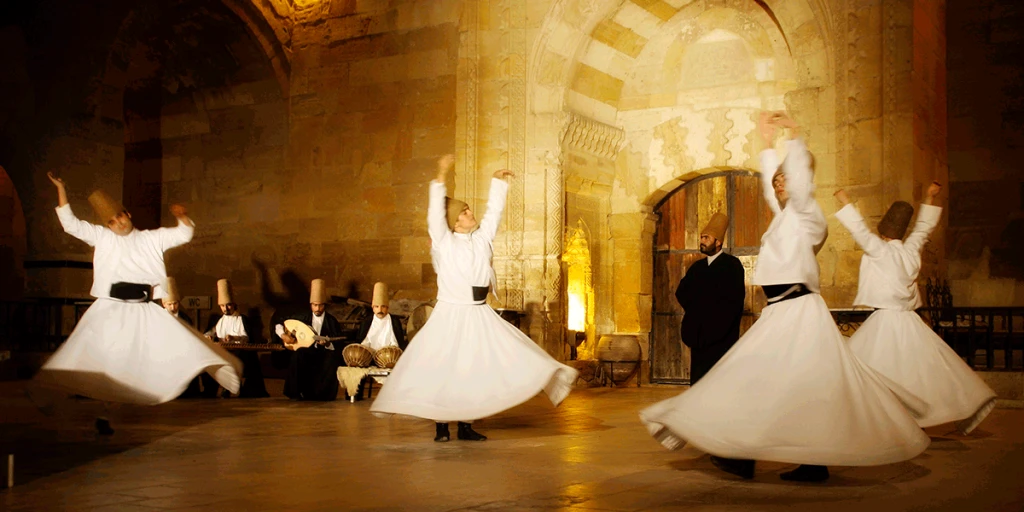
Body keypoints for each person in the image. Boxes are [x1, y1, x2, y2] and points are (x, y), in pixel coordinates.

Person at [639, 112, 930, 483]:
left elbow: (801, 182)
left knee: (756, 377)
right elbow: (770, 190)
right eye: (777, 178)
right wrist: (764, 144)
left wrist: (793, 135)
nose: (779, 182)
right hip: (781, 310)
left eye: (786, 176)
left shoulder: (809, 214)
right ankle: (809, 461)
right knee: (790, 383)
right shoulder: (785, 216)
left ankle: (745, 456)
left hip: (798, 309)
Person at [370, 154, 578, 442]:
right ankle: (442, 425)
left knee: (474, 368)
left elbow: (494, 214)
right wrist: (441, 174)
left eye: (469, 210)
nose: (471, 214)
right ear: (455, 222)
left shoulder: (481, 239)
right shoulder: (445, 242)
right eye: (465, 212)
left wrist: (497, 183)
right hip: (452, 314)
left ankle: (466, 425)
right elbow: (434, 216)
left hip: (478, 313)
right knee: (445, 369)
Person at [34, 173, 241, 434]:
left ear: (128, 214)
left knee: (178, 345)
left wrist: (182, 216)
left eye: (119, 217)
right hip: (110, 308)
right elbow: (71, 224)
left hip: (143, 309)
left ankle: (218, 370)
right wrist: (62, 189)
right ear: (107, 225)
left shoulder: (151, 239)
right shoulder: (102, 237)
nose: (117, 224)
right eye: (111, 222)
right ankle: (88, 407)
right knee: (97, 359)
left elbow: (184, 234)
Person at [835, 183, 996, 434]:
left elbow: (860, 232)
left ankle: (878, 419)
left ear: (883, 232)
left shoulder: (880, 250)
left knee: (868, 369)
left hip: (886, 321)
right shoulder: (910, 252)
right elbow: (923, 229)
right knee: (918, 371)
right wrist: (930, 198)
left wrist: (845, 202)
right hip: (909, 321)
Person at [675, 212, 745, 384]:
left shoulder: (732, 265)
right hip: (700, 334)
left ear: (718, 242)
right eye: (701, 237)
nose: (702, 241)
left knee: (719, 381)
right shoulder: (697, 267)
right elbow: (682, 292)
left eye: (706, 237)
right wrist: (697, 311)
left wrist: (714, 317)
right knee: (700, 380)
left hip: (722, 334)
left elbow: (735, 301)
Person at [279, 279, 344, 401]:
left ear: (324, 305)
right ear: (311, 305)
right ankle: (295, 393)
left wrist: (328, 344)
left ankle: (322, 395)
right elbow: (278, 325)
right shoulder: (302, 318)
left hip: (324, 353)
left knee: (332, 359)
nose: (318, 308)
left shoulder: (331, 321)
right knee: (298, 355)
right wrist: (283, 335)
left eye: (320, 305)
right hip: (307, 351)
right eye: (315, 305)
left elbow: (338, 342)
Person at [205, 279, 268, 398]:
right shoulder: (219, 321)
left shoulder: (241, 319)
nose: (226, 309)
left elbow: (246, 338)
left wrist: (234, 337)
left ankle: (230, 387)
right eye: (222, 306)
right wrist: (209, 336)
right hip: (222, 351)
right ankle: (212, 390)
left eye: (228, 305)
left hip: (240, 352)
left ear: (233, 304)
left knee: (235, 360)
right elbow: (210, 333)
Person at [355, 282, 408, 353]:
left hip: (389, 356)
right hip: (369, 355)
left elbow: (397, 343)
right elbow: (363, 342)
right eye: (377, 307)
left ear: (387, 308)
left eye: (383, 306)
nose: (380, 310)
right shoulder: (366, 322)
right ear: (373, 308)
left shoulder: (394, 321)